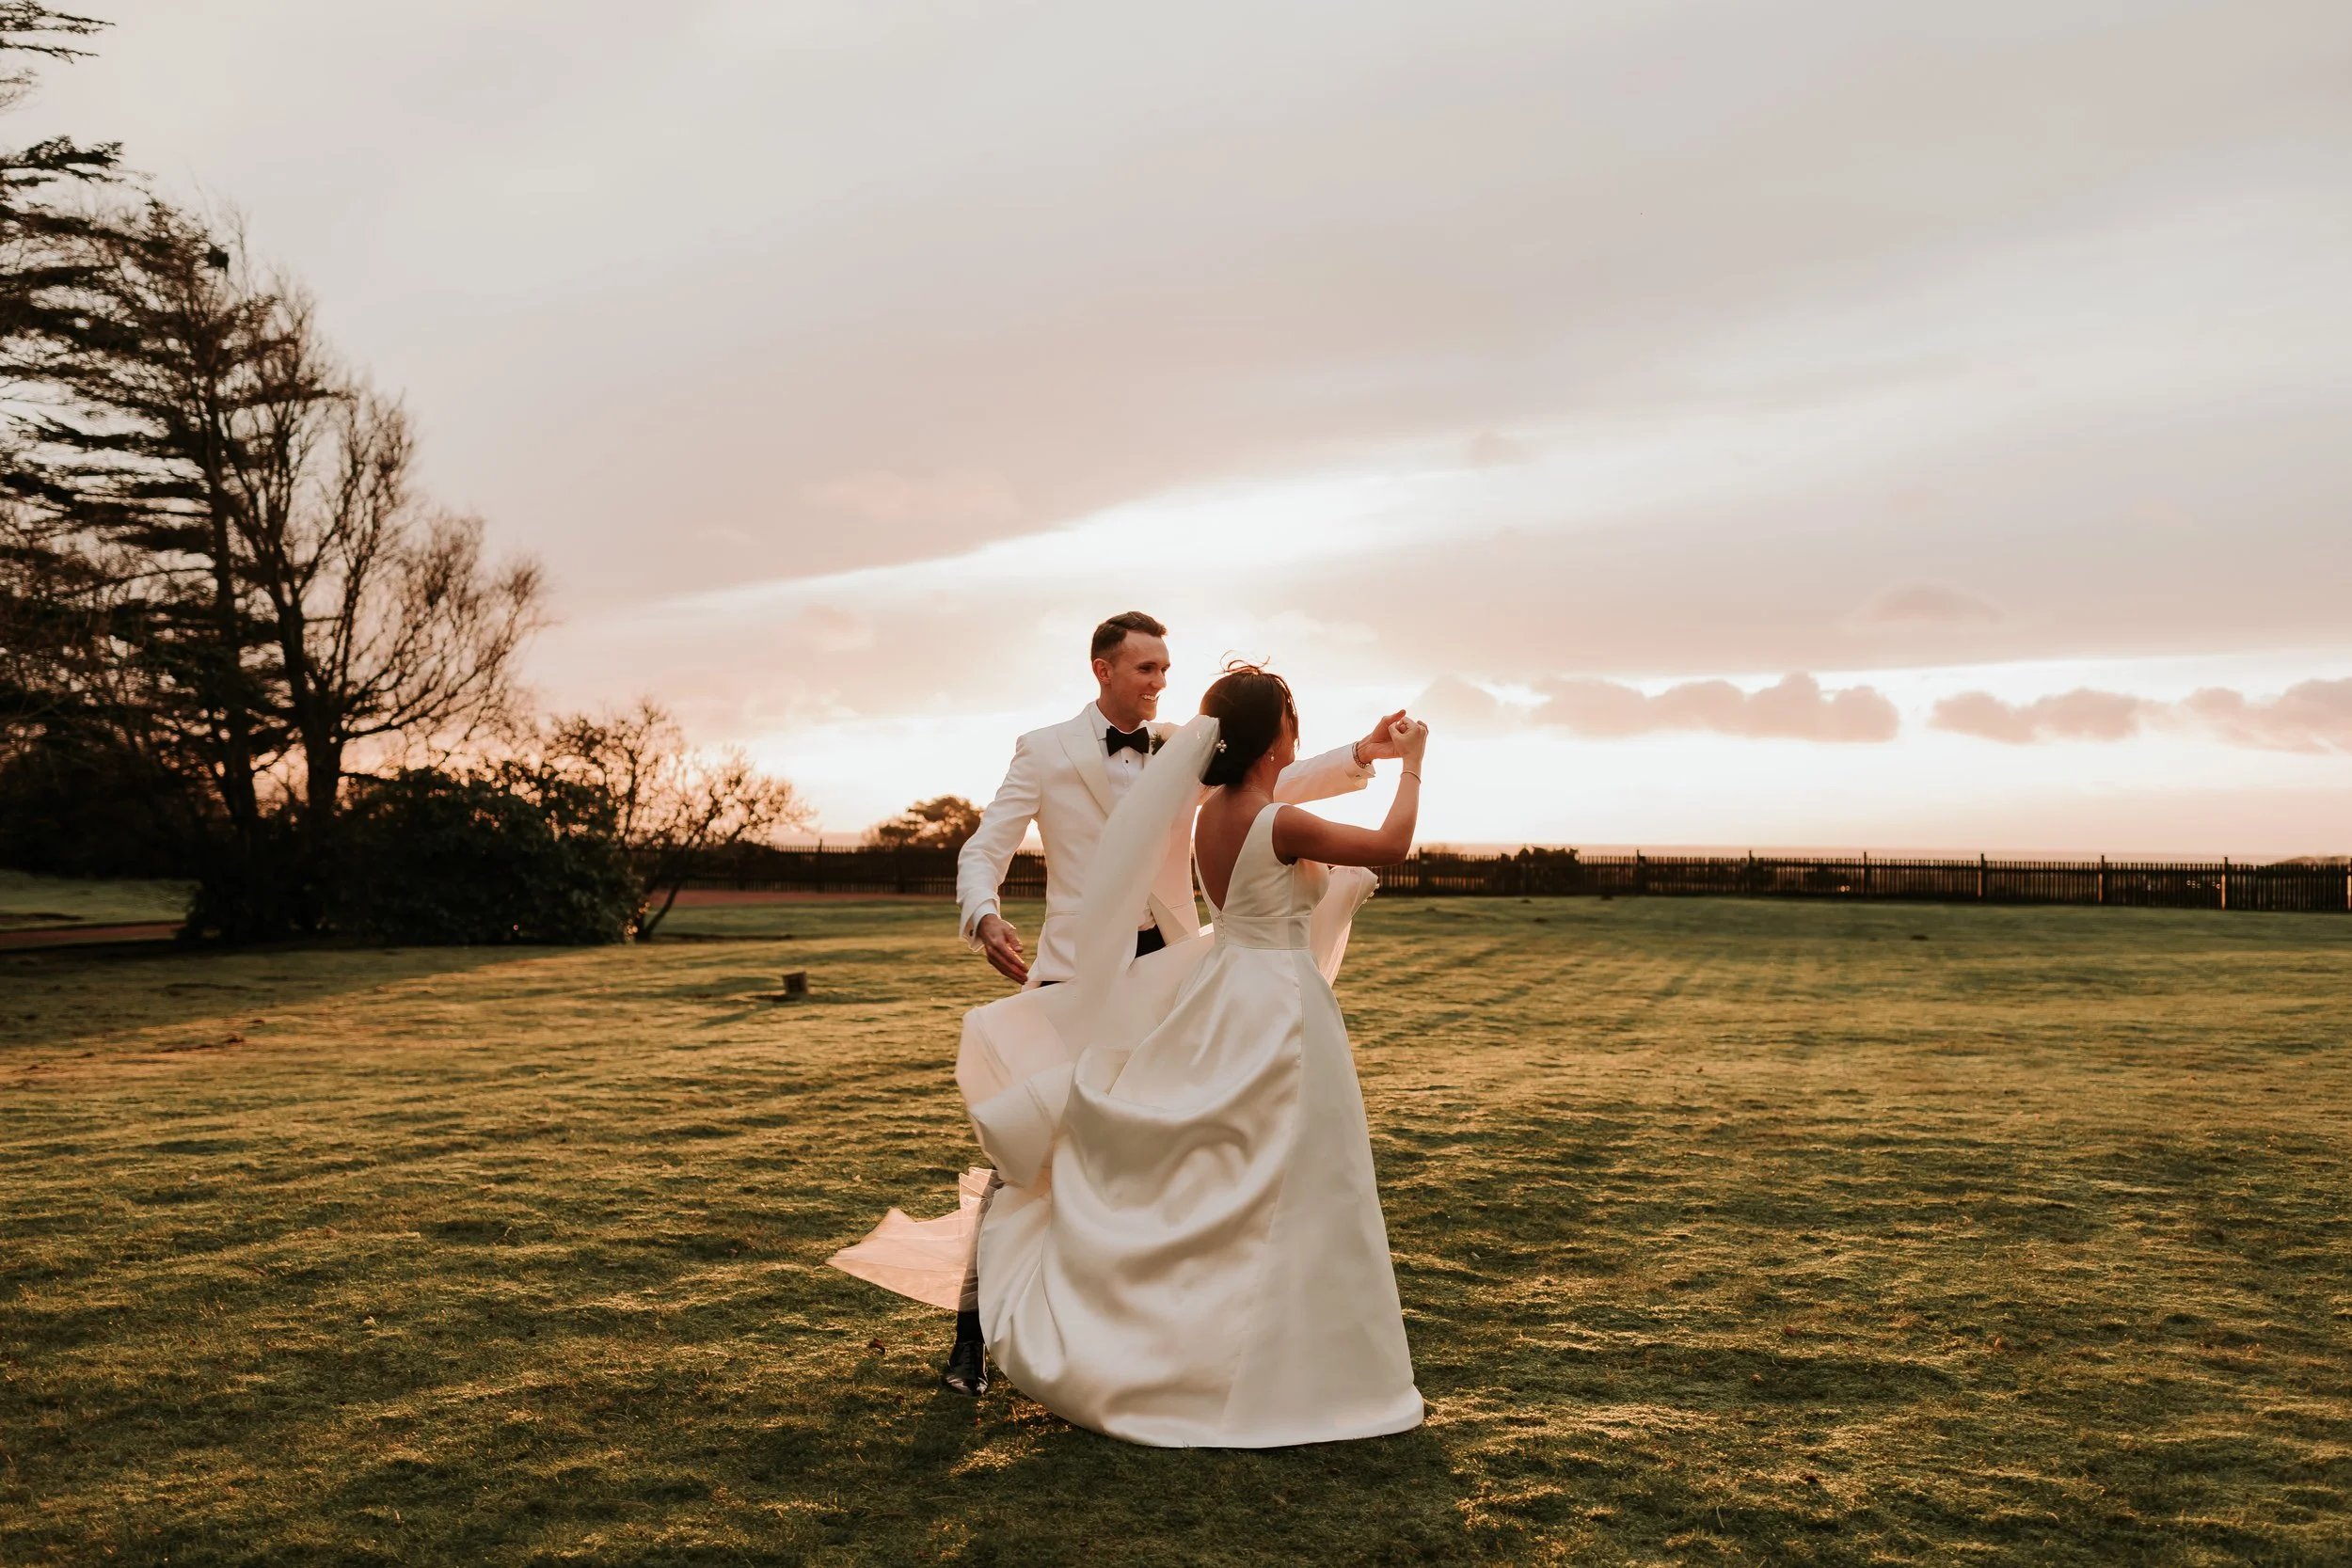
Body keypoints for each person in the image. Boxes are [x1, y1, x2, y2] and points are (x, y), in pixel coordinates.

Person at [831, 663, 1428, 1447]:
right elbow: (1386, 840)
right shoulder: (1050, 753)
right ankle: (974, 1334)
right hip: (1132, 977)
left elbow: (1281, 781)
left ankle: (1245, 1345)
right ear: (1105, 665)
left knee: (1219, 1168)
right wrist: (1414, 764)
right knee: (1076, 1154)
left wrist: (1365, 751)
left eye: (1168, 667)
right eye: (1147, 664)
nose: (1160, 676)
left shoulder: (1210, 793)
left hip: (1200, 984)